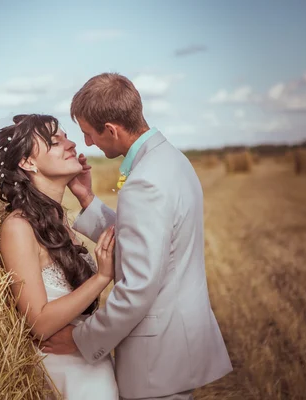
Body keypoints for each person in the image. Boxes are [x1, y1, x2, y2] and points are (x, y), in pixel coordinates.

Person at [39, 73, 233, 400]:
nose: (86, 144)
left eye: (88, 134)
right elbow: (146, 243)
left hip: (158, 357)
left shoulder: (144, 182)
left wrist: (79, 338)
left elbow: (138, 289)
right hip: (176, 345)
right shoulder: (170, 159)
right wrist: (87, 199)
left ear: (112, 130)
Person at [0, 114, 119, 399]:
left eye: (66, 137)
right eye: (54, 142)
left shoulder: (59, 219)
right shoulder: (19, 227)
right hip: (64, 367)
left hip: (88, 359)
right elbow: (38, 323)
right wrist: (101, 277)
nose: (72, 144)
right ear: (27, 163)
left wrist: (85, 195)